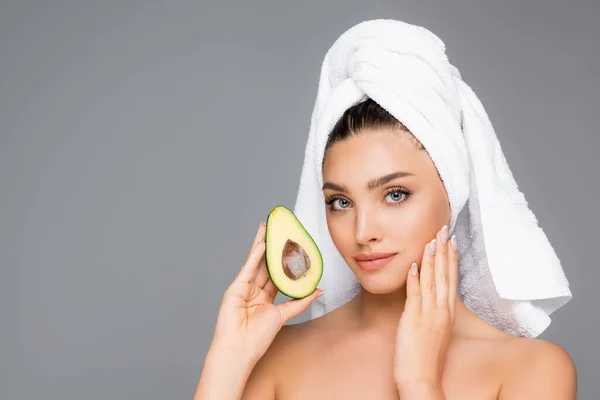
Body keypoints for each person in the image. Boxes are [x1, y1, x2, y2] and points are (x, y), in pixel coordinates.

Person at [193, 21, 577, 400]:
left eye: (395, 194)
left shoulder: (532, 370)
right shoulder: (273, 358)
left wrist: (419, 383)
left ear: (452, 192)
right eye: (340, 202)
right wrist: (226, 359)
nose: (363, 232)